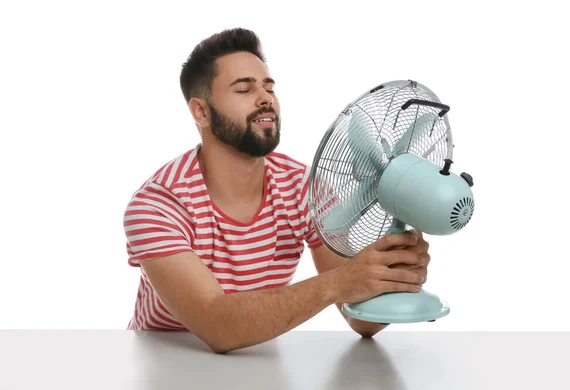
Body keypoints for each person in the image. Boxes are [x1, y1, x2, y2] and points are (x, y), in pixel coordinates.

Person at [122, 28, 431, 353]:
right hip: (161, 363)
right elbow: (217, 326)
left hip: (258, 361)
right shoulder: (157, 206)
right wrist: (338, 284)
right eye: (243, 89)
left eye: (269, 87)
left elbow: (361, 319)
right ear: (201, 111)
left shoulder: (303, 188)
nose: (265, 98)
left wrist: (392, 278)